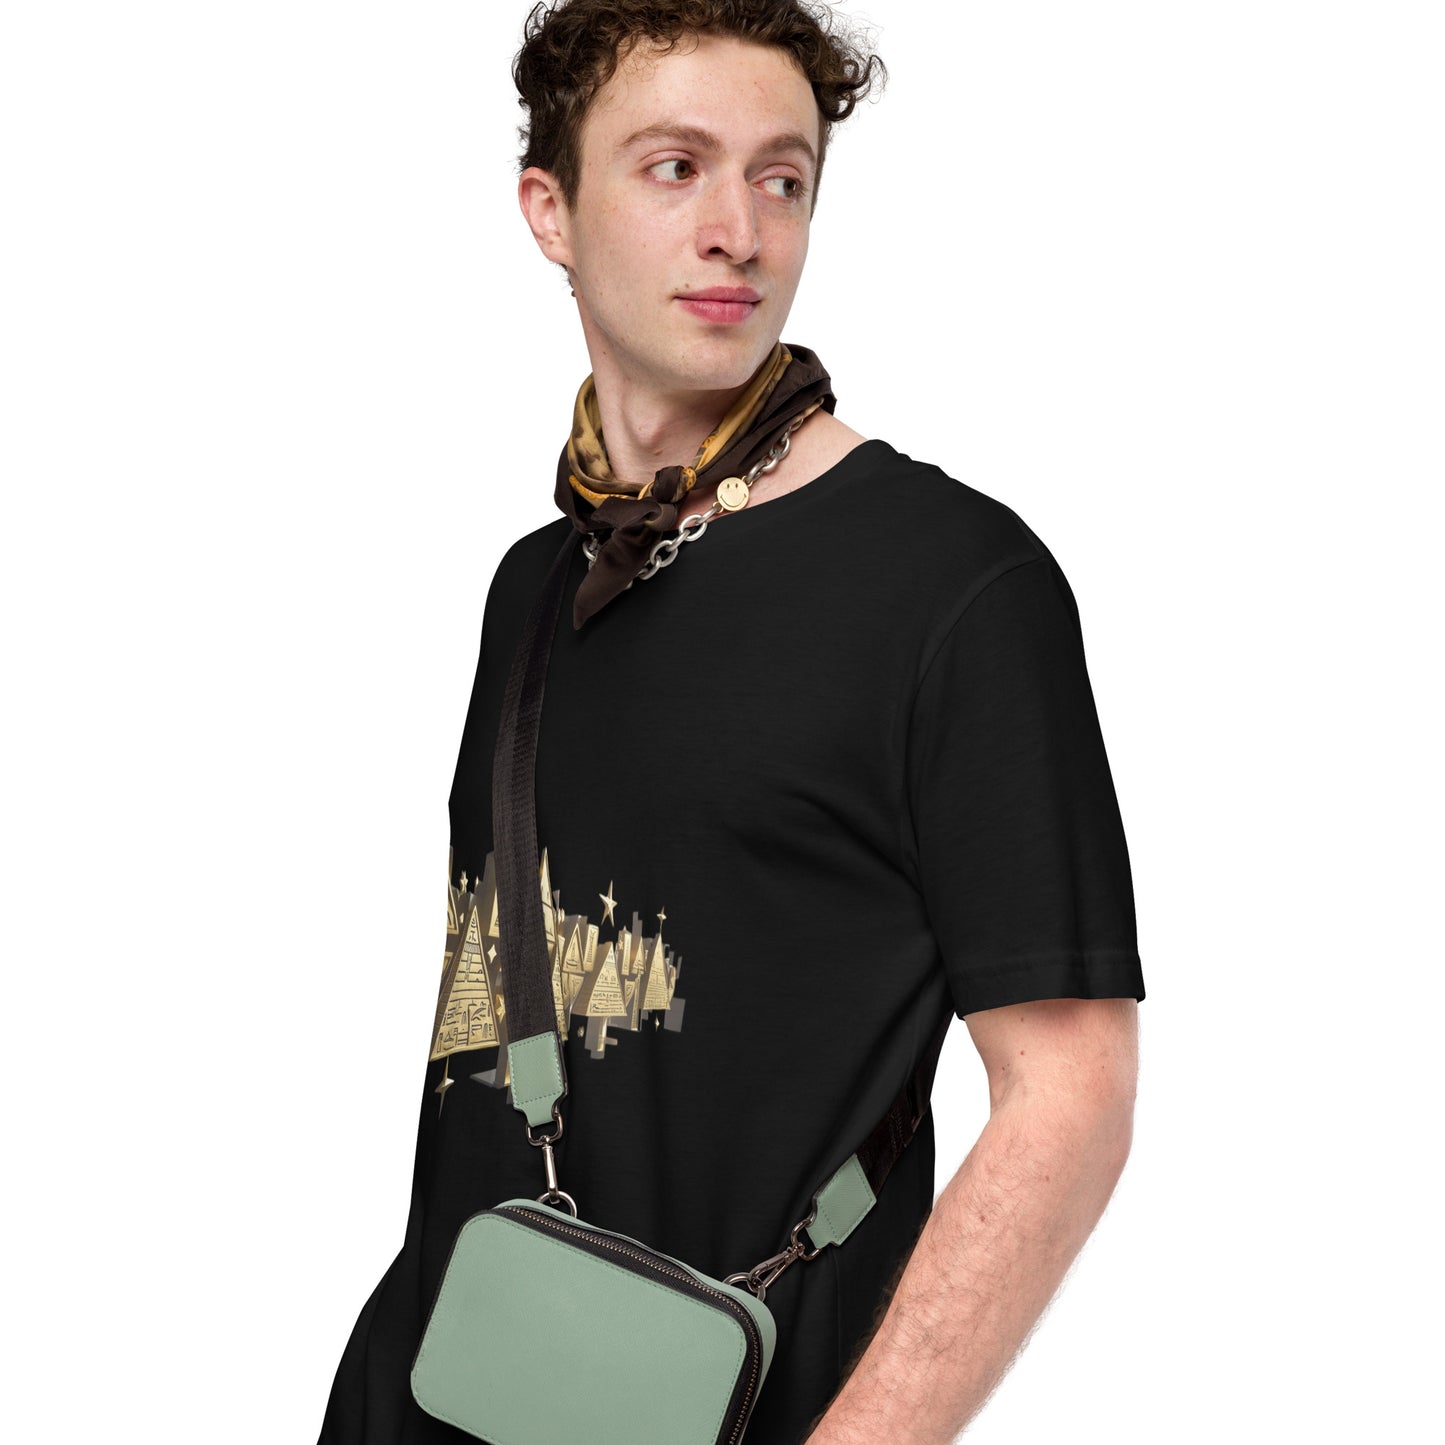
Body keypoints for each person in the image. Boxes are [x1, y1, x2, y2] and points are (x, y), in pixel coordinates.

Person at [318, 2, 1145, 1441]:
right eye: (673, 167)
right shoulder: (537, 584)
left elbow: (1069, 1094)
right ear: (549, 210)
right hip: (429, 1392)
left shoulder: (955, 585)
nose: (738, 232)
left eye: (781, 178)